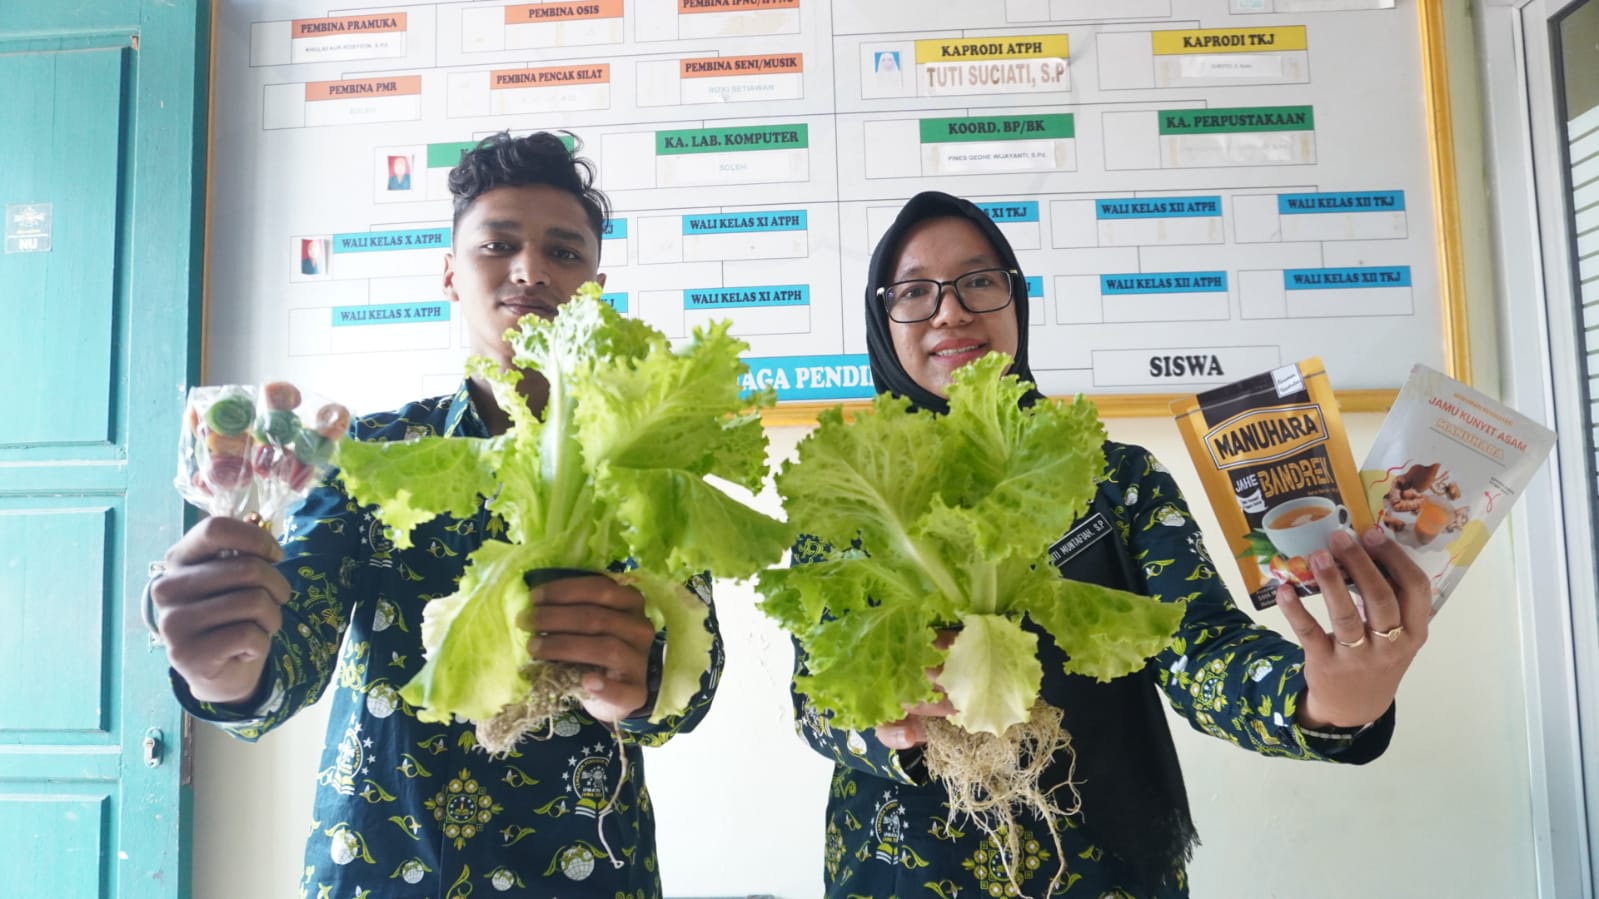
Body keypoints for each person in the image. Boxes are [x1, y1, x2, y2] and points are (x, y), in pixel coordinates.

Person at [791, 190, 1431, 898]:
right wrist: (888, 719)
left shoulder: (1112, 478)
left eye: (978, 281)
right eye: (914, 291)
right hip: (899, 863)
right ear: (882, 323)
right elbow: (816, 697)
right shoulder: (848, 492)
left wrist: (1321, 700)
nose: (950, 310)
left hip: (1099, 864)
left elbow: (1200, 648)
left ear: (1016, 301)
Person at [150, 131, 723, 897]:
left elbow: (695, 672)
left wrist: (639, 689)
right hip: (384, 858)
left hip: (582, 864)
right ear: (451, 273)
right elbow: (289, 655)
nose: (530, 269)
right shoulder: (373, 453)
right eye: (498, 244)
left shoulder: (646, 460)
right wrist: (226, 668)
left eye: (563, 252)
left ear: (594, 285)